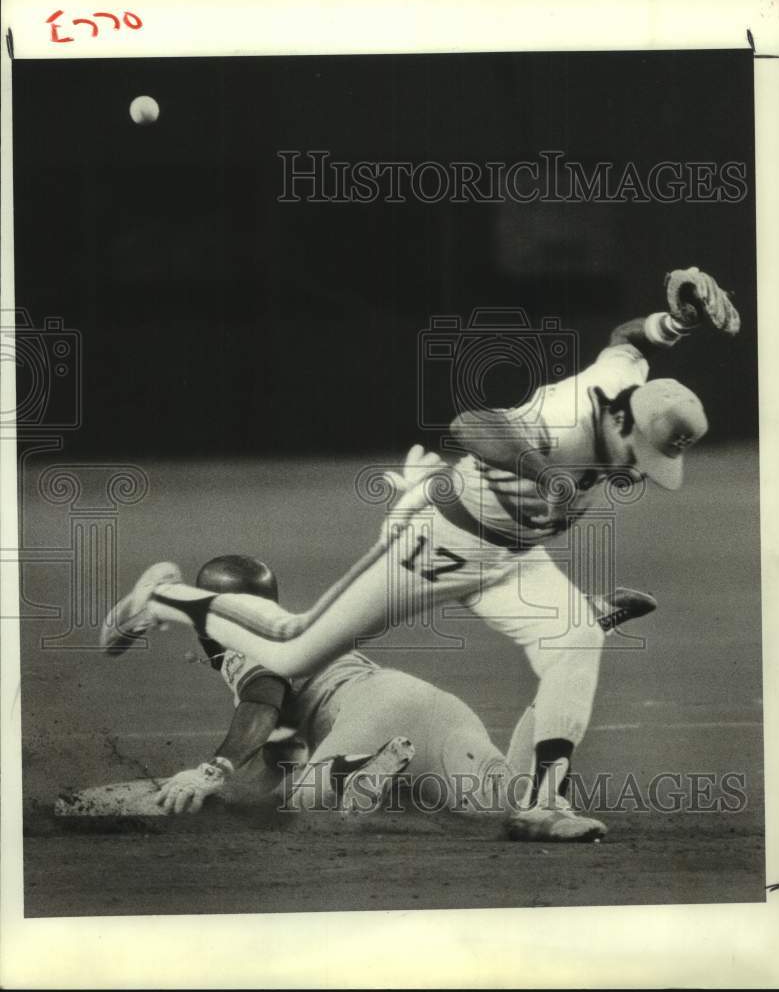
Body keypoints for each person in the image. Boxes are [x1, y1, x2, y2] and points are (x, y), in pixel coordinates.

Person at [102, 266, 739, 840]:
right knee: (292, 649)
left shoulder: (623, 386)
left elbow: (627, 344)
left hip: (513, 557)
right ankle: (162, 598)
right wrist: (543, 472)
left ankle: (544, 804)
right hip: (443, 544)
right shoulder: (568, 418)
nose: (638, 470)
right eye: (640, 454)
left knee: (576, 638)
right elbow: (471, 424)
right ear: (622, 420)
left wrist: (674, 321)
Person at [136, 555, 654, 840]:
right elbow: (275, 752)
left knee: (303, 802)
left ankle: (354, 771)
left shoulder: (247, 646)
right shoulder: (294, 628)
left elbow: (261, 701)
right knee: (512, 803)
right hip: (430, 705)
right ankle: (576, 637)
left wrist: (212, 772)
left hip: (372, 715)